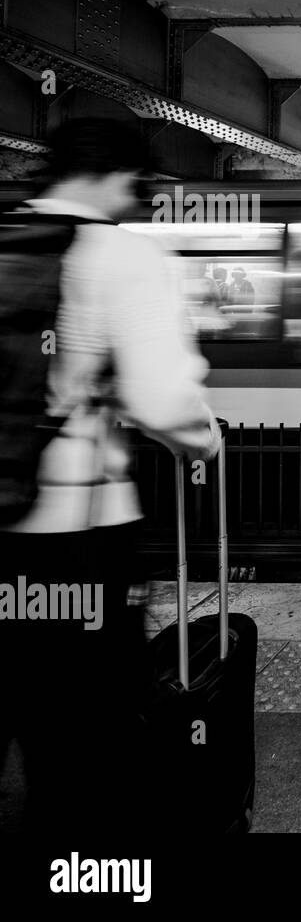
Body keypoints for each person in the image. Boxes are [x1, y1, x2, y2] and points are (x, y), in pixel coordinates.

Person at [0, 118, 221, 835]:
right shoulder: (118, 255)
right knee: (78, 740)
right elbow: (163, 399)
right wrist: (202, 441)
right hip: (72, 540)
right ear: (118, 177)